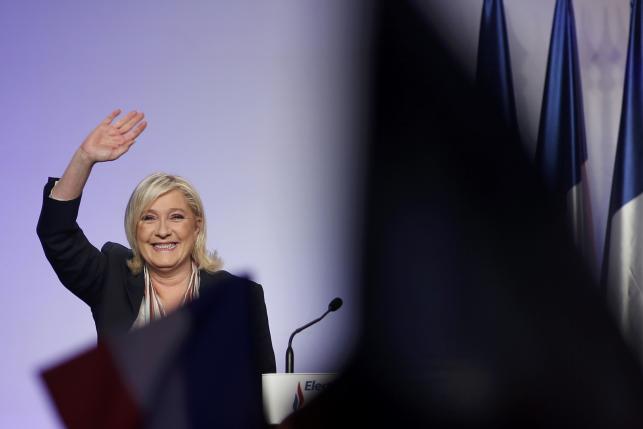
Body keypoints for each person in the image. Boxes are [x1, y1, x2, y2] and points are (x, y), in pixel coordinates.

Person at [37, 109, 276, 375]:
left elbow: (264, 396)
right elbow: (57, 232)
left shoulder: (240, 297)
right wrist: (84, 159)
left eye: (176, 217)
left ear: (196, 226)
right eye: (149, 218)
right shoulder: (110, 277)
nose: (163, 231)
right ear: (134, 227)